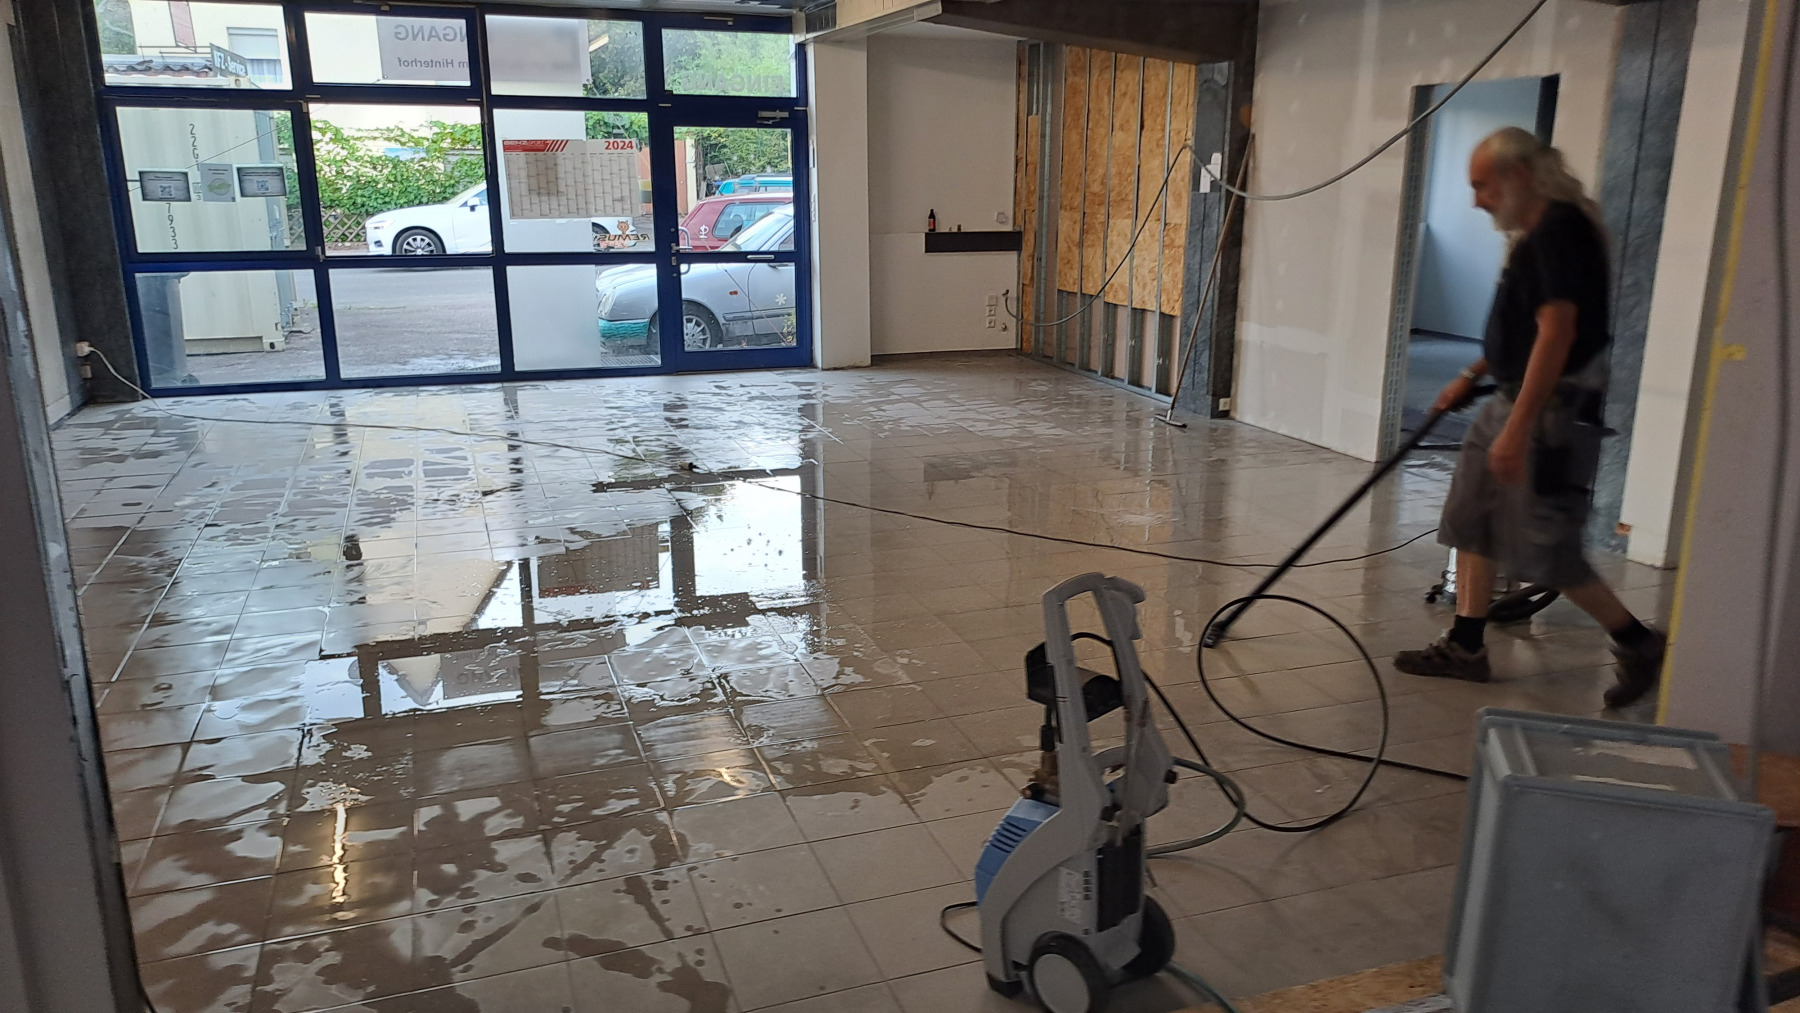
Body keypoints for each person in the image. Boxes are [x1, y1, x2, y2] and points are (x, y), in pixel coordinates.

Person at [1393, 126, 1665, 708]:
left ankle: (1639, 643)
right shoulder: (1534, 235)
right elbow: (1521, 328)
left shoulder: (1562, 232)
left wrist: (1517, 430)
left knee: (1546, 548)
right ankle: (1466, 646)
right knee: (1469, 519)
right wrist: (1471, 374)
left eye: (1483, 186)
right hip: (1511, 399)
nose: (1477, 201)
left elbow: (1557, 334)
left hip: (1548, 413)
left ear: (1518, 175)